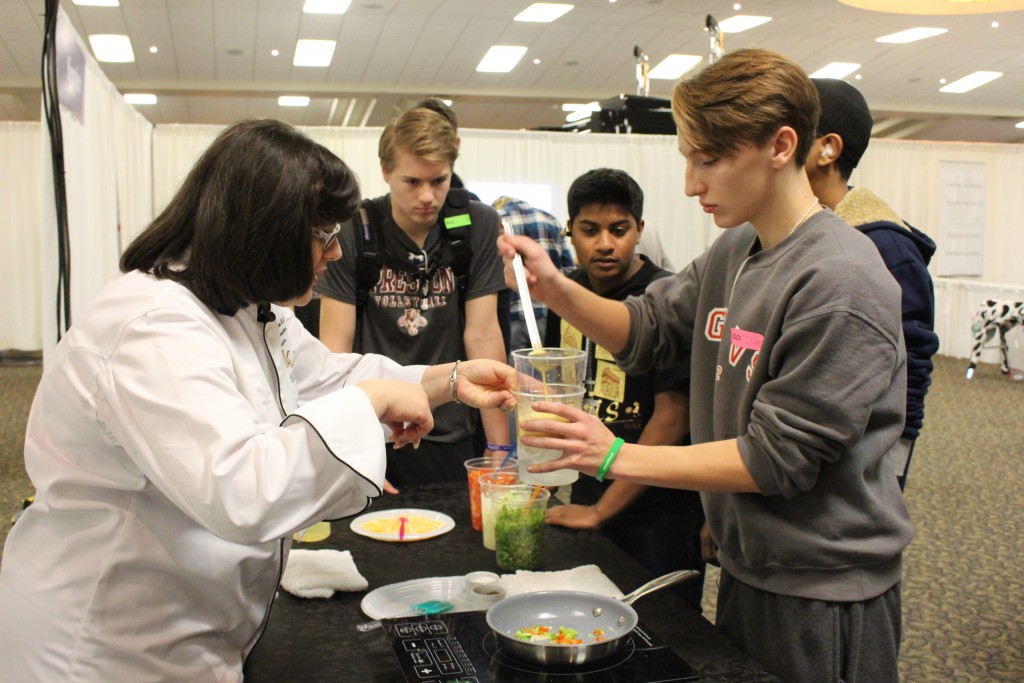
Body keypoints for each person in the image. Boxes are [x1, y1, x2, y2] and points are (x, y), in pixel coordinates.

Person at [0, 119, 515, 682]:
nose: (336, 251)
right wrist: (370, 403)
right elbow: (242, 490)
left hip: (196, 624)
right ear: (263, 231)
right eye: (323, 235)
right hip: (108, 642)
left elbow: (330, 378)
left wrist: (451, 379)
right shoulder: (153, 329)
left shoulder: (249, 308)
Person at [498, 49, 913, 683]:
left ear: (781, 145)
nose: (692, 183)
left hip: (824, 588)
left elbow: (779, 458)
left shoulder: (842, 278)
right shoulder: (737, 248)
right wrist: (554, 287)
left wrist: (613, 457)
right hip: (751, 568)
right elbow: (646, 329)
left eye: (709, 159)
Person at [317, 107, 510, 487]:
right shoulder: (355, 229)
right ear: (386, 171)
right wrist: (344, 450)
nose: (427, 197)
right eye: (411, 182)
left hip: (451, 429)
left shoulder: (476, 225)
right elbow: (334, 353)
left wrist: (500, 448)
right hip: (375, 428)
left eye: (439, 181)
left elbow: (484, 336)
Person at [541, 169, 705, 610]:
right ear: (569, 232)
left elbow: (673, 417)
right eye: (590, 230)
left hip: (660, 509)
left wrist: (603, 510)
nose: (606, 244)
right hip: (590, 491)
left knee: (667, 637)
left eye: (619, 230)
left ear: (640, 231)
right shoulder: (567, 294)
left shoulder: (665, 299)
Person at [807, 77, 939, 491]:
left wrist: (890, 473)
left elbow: (912, 367)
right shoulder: (792, 229)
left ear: (828, 147)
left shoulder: (886, 245)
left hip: (855, 457)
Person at [492, 195, 575, 353]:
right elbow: (569, 268)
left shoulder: (498, 220)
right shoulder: (552, 220)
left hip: (512, 311)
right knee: (549, 370)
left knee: (516, 372)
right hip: (549, 311)